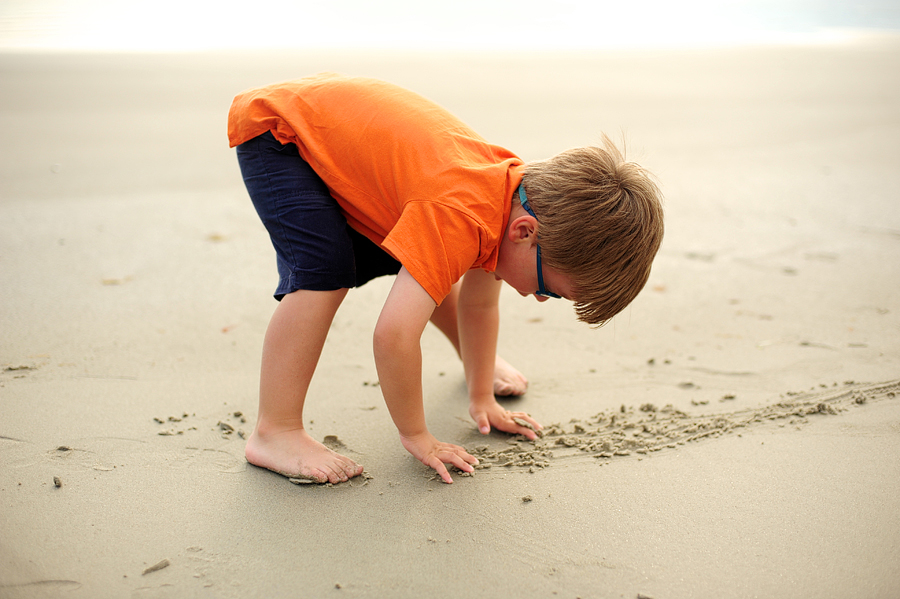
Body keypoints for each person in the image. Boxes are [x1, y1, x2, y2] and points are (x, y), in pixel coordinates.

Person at [227, 73, 664, 484]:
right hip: (281, 136)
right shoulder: (461, 215)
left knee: (426, 269)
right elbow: (394, 336)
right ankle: (275, 430)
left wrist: (481, 397)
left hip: (348, 146)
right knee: (325, 272)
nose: (541, 300)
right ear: (525, 233)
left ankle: (478, 366)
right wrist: (417, 435)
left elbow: (480, 305)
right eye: (550, 289)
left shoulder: (513, 198)